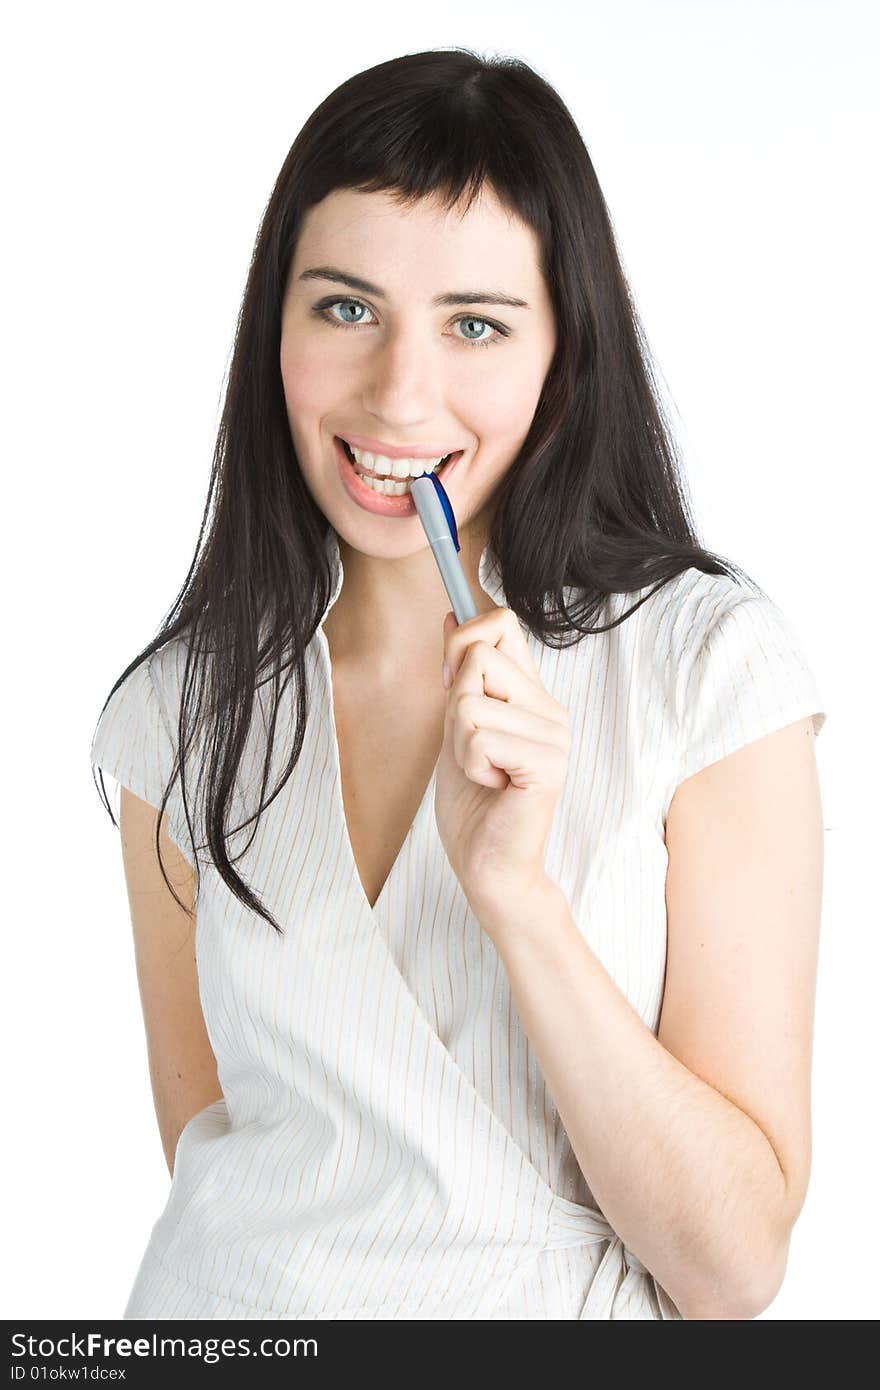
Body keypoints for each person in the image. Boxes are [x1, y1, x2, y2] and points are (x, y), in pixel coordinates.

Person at [90, 48, 827, 1321]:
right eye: (344, 307)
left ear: (564, 350)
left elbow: (731, 1270)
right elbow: (220, 1170)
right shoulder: (177, 709)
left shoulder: (707, 666)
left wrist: (515, 897)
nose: (399, 393)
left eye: (474, 323)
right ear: (276, 326)